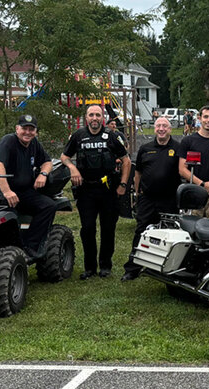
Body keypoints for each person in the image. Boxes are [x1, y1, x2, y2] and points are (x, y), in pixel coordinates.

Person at [61, 104, 131, 279]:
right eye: (91, 115)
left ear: (103, 118)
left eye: (98, 115)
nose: (94, 118)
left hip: (108, 190)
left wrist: (122, 185)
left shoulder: (112, 136)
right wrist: (72, 168)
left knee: (108, 228)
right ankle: (89, 268)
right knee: (88, 229)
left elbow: (126, 160)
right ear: (86, 118)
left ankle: (105, 266)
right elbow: (64, 156)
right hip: (86, 190)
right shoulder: (78, 136)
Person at [121, 116, 182, 281]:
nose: (161, 129)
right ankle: (132, 269)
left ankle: (169, 269)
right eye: (158, 126)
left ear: (170, 129)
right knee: (141, 231)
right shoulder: (145, 148)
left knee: (170, 234)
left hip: (169, 200)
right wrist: (138, 192)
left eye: (165, 126)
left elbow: (183, 170)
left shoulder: (178, 148)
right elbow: (138, 172)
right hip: (147, 199)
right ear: (155, 129)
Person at [0, 114, 56, 259]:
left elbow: (47, 162)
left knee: (49, 206)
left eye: (31, 129)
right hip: (3, 190)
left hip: (24, 192)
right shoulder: (9, 141)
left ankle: (29, 247)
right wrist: (7, 191)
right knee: (6, 215)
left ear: (36, 131)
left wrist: (43, 174)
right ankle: (6, 248)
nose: (27, 132)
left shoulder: (34, 144)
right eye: (24, 128)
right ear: (17, 129)